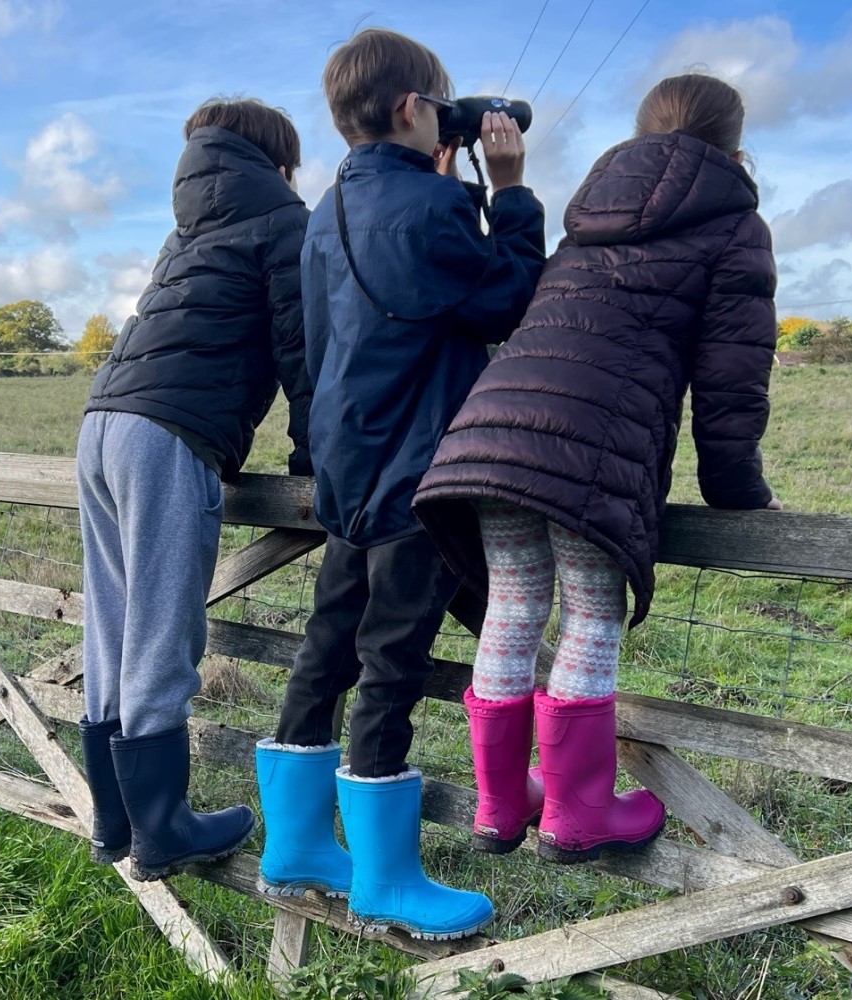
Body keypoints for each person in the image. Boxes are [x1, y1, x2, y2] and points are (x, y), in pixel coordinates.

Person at [413, 73, 782, 865]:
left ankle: (502, 801)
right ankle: (580, 811)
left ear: (640, 137)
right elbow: (732, 377)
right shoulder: (734, 223)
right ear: (736, 147)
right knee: (591, 612)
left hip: (491, 429)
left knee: (513, 605)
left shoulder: (590, 215)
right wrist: (736, 491)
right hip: (585, 445)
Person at [255, 28, 546, 940]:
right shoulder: (434, 210)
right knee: (392, 664)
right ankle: (385, 877)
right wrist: (508, 191)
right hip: (421, 466)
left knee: (329, 644)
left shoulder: (325, 215)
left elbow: (330, 330)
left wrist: (448, 176)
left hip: (348, 462)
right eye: (443, 102)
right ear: (415, 109)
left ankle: (297, 844)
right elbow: (505, 298)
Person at [76, 98, 313, 882]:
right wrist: (311, 456)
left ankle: (115, 818)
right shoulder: (283, 217)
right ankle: (164, 828)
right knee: (161, 629)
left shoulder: (185, 230)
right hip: (165, 433)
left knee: (111, 621)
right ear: (278, 158)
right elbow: (299, 348)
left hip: (102, 424)